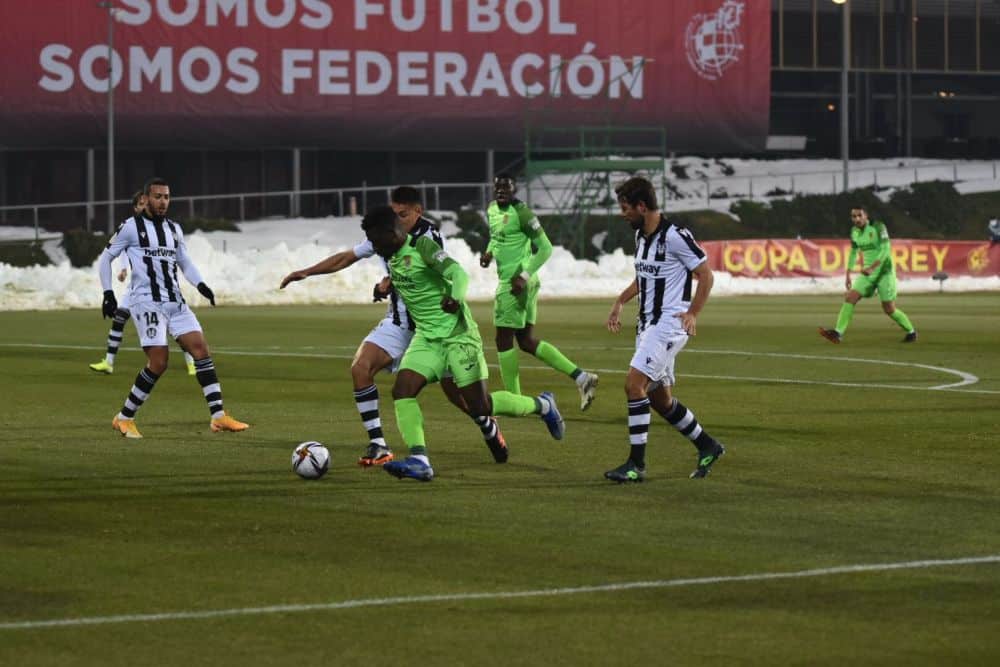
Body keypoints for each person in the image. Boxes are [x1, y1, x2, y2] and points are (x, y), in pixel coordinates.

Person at [281, 186, 510, 466]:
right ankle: (379, 444)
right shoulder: (384, 232)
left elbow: (435, 273)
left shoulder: (428, 238)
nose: (399, 219)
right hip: (400, 322)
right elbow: (348, 256)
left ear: (418, 211)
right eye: (395, 214)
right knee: (361, 368)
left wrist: (392, 283)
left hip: (434, 325)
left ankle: (488, 424)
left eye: (403, 214)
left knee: (461, 396)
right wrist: (307, 271)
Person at [361, 205, 565, 482]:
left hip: (459, 336)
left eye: (374, 241)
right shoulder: (394, 258)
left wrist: (455, 297)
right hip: (428, 339)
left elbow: (459, 274)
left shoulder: (423, 246)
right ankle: (420, 460)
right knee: (403, 390)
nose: (372, 247)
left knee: (480, 406)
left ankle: (542, 405)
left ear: (390, 233)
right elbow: (414, 281)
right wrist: (384, 287)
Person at [97, 177, 248, 438]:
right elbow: (106, 258)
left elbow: (185, 262)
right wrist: (108, 293)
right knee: (159, 362)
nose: (163, 201)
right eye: (157, 197)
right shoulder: (131, 228)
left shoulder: (173, 229)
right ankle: (124, 418)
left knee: (200, 350)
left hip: (175, 302)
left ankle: (218, 416)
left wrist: (201, 284)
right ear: (146, 199)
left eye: (166, 197)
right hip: (146, 302)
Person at [604, 176, 726, 483]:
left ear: (642, 207)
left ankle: (636, 465)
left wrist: (693, 313)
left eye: (625, 208)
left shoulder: (674, 236)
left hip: (669, 325)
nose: (623, 214)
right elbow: (643, 278)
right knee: (661, 400)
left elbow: (705, 275)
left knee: (633, 386)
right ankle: (707, 445)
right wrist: (621, 301)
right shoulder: (641, 236)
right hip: (647, 326)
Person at [480, 173, 599, 411]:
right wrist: (489, 252)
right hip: (523, 283)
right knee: (524, 340)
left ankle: (516, 400)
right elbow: (497, 237)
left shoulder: (523, 214)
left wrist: (522, 276)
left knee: (502, 340)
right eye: (498, 188)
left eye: (507, 187)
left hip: (516, 284)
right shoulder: (492, 209)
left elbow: (545, 248)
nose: (501, 191)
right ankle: (582, 378)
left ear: (515, 190)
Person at [90, 190, 196, 377]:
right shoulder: (130, 228)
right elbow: (119, 251)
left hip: (161, 289)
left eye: (145, 203)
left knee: (174, 324)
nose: (143, 206)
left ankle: (191, 362)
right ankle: (108, 362)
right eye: (140, 204)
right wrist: (122, 269)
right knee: (120, 317)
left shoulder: (164, 228)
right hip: (136, 287)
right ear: (136, 207)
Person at [819, 207, 917, 344]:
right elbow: (853, 252)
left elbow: (885, 249)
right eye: (853, 216)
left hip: (884, 272)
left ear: (866, 216)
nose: (857, 219)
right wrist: (848, 273)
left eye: (860, 215)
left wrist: (873, 267)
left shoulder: (879, 227)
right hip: (867, 273)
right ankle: (837, 333)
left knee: (888, 308)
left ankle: (911, 332)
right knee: (850, 297)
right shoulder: (854, 232)